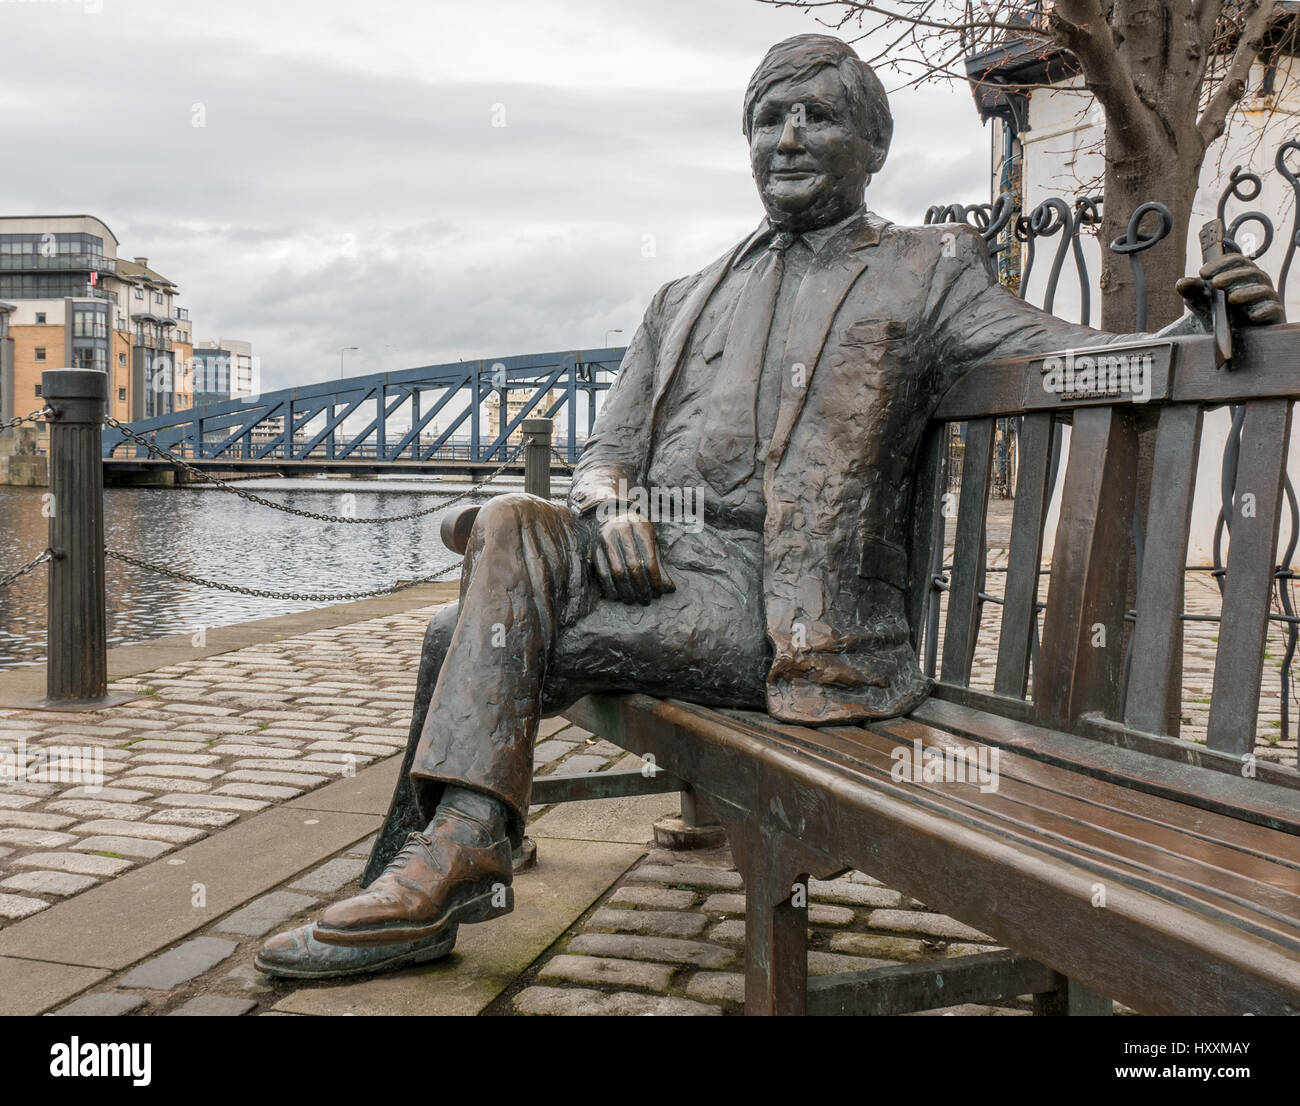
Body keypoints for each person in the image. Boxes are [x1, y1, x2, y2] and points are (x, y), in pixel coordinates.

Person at [256, 33, 1285, 979]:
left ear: (869, 146)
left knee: (460, 632)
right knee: (508, 526)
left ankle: (431, 870)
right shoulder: (681, 296)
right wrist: (613, 502)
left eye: (817, 116)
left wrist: (1189, 335)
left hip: (785, 618)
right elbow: (604, 456)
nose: (787, 136)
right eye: (768, 118)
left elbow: (1070, 365)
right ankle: (453, 854)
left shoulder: (924, 270)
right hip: (661, 576)